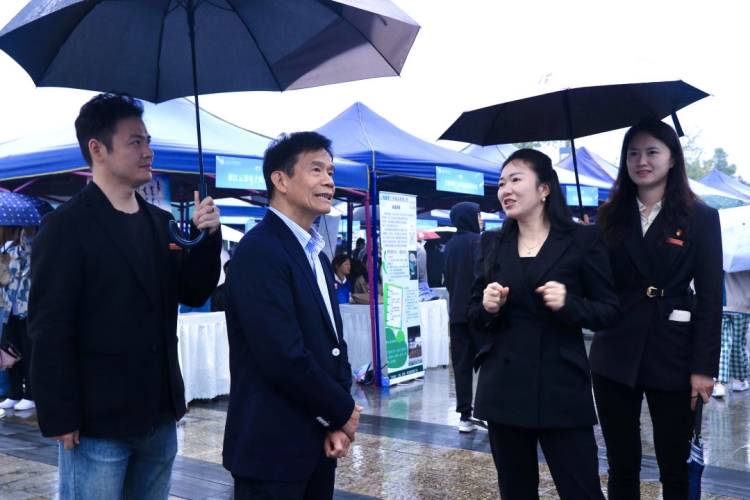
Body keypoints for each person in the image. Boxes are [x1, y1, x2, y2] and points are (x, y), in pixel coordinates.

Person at [29, 93, 222, 499]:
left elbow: (192, 290)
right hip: (97, 422)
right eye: (135, 142)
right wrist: (60, 414)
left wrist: (206, 238)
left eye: (148, 141)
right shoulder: (65, 227)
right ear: (97, 149)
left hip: (159, 414)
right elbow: (49, 327)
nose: (148, 152)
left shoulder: (163, 224)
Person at [467, 149, 618, 499]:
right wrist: (488, 307)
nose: (505, 189)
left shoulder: (582, 239)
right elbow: (474, 316)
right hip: (503, 388)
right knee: (516, 491)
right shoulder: (492, 242)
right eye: (501, 183)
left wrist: (570, 304)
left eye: (516, 179)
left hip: (561, 388)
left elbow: (609, 311)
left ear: (544, 188)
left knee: (582, 491)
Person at [222, 132, 362, 500]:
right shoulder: (260, 251)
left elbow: (332, 344)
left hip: (318, 443)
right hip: (272, 451)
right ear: (280, 180)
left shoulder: (315, 252)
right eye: (316, 170)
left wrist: (334, 422)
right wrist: (341, 410)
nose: (329, 181)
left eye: (330, 171)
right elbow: (283, 355)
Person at [589, 118, 723, 499]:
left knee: (674, 465)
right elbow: (595, 284)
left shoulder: (700, 217)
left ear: (672, 158)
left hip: (673, 350)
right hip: (615, 348)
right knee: (620, 463)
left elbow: (711, 298)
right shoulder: (608, 215)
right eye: (632, 153)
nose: (641, 161)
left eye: (651, 152)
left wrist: (703, 369)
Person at [443, 202, 485, 432]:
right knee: (488, 361)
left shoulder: (449, 245)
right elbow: (482, 277)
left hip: (456, 313)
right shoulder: (477, 241)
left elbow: (448, 280)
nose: (481, 219)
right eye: (478, 215)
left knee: (461, 366)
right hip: (478, 313)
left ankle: (465, 416)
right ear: (469, 217)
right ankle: (487, 412)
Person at [0, 226, 36, 413]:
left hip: (26, 309)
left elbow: (27, 251)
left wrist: (26, 238)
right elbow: (3, 279)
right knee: (11, 353)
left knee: (29, 353)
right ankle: (14, 394)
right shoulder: (6, 250)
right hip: (9, 309)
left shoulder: (33, 248)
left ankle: (31, 395)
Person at [713, 271, 750, 397]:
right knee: (738, 342)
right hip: (742, 303)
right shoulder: (744, 259)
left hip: (721, 302)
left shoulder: (720, 258)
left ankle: (718, 383)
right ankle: (739, 379)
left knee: (722, 343)